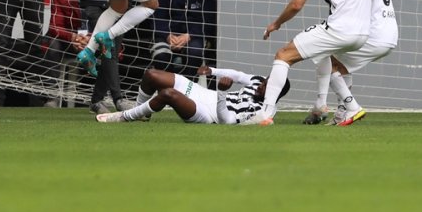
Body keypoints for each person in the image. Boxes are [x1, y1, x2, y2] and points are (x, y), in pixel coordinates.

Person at [256, 0, 372, 126]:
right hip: (363, 32)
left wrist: (276, 23)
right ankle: (346, 106)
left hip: (341, 29)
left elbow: (296, 4)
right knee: (326, 57)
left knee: (283, 55)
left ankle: (265, 114)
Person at [303, 0, 398, 125]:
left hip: (374, 34)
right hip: (388, 34)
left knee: (325, 57)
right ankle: (340, 113)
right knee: (339, 66)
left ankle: (342, 107)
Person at [96, 65, 290, 124]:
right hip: (204, 94)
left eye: (267, 85)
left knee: (168, 94)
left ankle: (125, 116)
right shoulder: (258, 82)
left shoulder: (262, 112)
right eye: (265, 80)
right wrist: (213, 71)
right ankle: (142, 114)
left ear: (275, 93)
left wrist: (222, 94)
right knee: (151, 75)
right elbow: (238, 76)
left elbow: (227, 121)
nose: (261, 84)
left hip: (209, 114)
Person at [149, 0, 216, 77]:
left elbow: (210, 20)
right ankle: (167, 87)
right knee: (161, 56)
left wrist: (189, 36)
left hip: (195, 36)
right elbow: (156, 18)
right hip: (167, 36)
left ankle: (188, 86)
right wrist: (167, 35)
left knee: (195, 52)